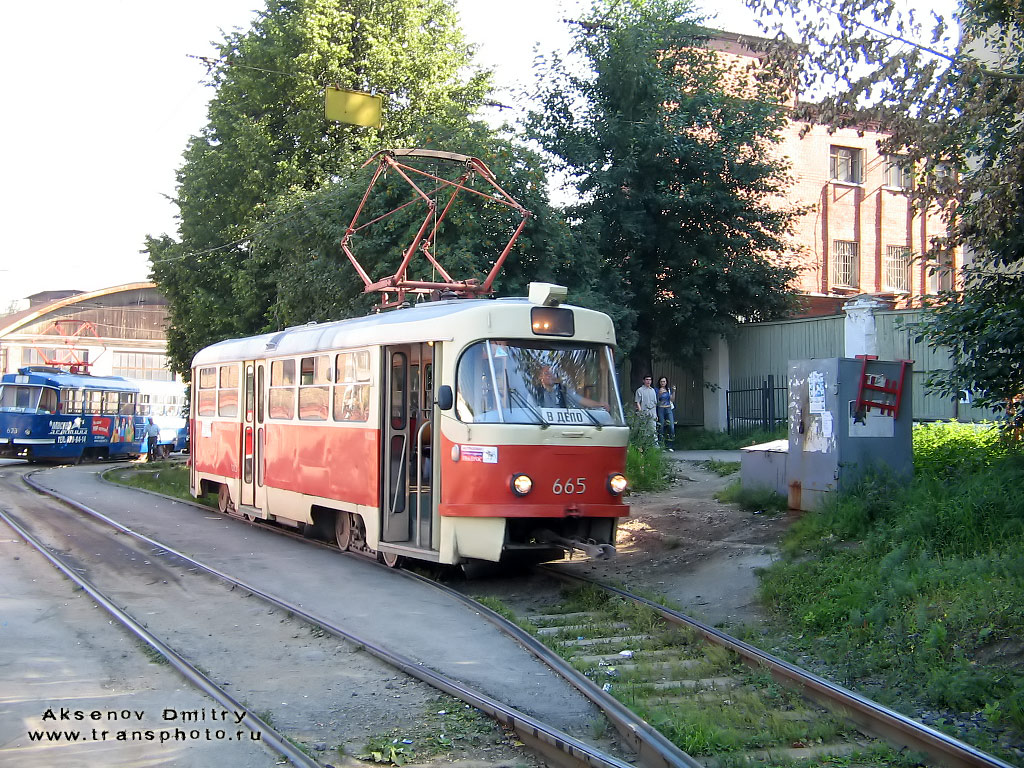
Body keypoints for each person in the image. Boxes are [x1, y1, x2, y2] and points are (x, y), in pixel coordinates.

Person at [535, 365, 608, 410]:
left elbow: (581, 400)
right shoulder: (534, 392)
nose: (550, 375)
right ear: (540, 377)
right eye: (546, 373)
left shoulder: (562, 390)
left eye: (552, 372)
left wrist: (599, 405)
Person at [634, 375, 658, 443]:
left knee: (653, 429)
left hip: (652, 413)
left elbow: (654, 404)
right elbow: (637, 402)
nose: (648, 381)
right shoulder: (640, 390)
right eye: (647, 379)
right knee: (643, 429)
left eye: (650, 380)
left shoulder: (653, 390)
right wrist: (640, 412)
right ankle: (642, 444)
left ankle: (655, 445)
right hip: (643, 413)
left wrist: (656, 415)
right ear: (643, 381)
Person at [656, 376, 676, 450]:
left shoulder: (668, 390)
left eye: (664, 381)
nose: (663, 383)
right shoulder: (657, 390)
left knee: (671, 426)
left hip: (668, 408)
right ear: (659, 382)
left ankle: (670, 445)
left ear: (666, 382)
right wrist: (659, 394)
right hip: (660, 408)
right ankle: (661, 445)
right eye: (661, 381)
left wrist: (674, 391)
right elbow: (656, 400)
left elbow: (672, 400)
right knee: (661, 427)